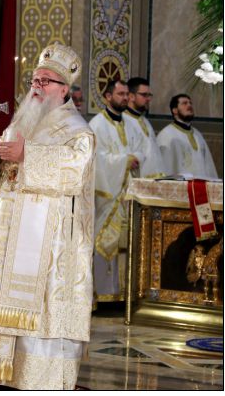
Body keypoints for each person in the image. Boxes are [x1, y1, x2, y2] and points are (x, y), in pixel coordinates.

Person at [0, 43, 96, 390]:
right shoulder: (22, 123)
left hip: (50, 246)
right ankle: (2, 378)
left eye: (45, 81)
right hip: (9, 239)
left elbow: (74, 173)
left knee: (44, 314)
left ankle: (42, 382)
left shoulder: (78, 132)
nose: (37, 86)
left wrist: (28, 154)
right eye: (34, 80)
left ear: (63, 89)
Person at [89, 80, 144, 303]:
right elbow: (96, 159)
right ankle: (103, 294)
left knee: (127, 243)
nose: (125, 97)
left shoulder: (131, 124)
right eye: (120, 94)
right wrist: (124, 161)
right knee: (104, 240)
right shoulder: (97, 125)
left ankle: (123, 295)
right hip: (107, 195)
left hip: (128, 193)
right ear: (108, 96)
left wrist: (135, 158)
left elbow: (141, 149)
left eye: (126, 94)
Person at [156, 94, 218, 178]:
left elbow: (208, 166)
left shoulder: (197, 134)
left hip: (200, 184)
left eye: (190, 103)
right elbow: (163, 168)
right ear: (175, 110)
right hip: (180, 185)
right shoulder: (166, 135)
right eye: (184, 103)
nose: (189, 105)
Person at [124, 77, 165, 177]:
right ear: (131, 96)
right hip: (137, 180)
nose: (148, 99)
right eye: (144, 95)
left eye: (149, 95)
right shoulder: (123, 121)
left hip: (154, 179)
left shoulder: (145, 121)